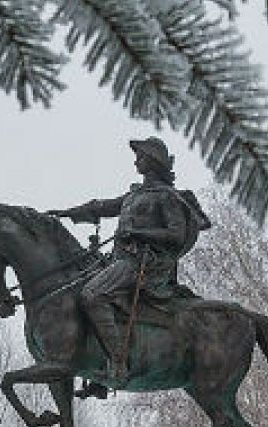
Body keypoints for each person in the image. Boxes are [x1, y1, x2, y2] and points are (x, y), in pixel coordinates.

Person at [53, 137, 212, 382]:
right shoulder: (136, 194)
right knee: (76, 291)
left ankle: (118, 363)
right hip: (120, 260)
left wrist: (138, 233)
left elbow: (176, 234)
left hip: (143, 265)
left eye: (140, 156)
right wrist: (69, 213)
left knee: (92, 295)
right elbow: (102, 207)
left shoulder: (166, 196)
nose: (136, 160)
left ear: (153, 161)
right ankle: (93, 370)